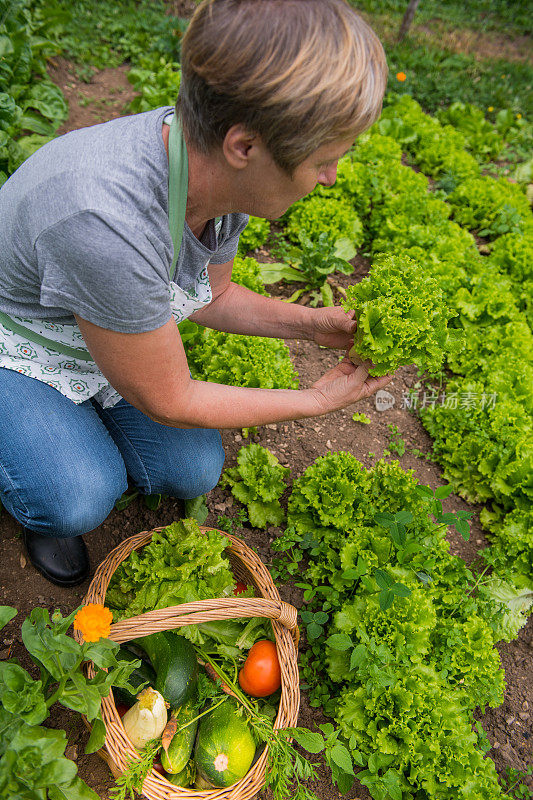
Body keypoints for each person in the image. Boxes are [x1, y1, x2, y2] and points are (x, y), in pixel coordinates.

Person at [0, 0, 391, 588]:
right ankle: (40, 486)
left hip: (106, 334)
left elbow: (212, 296)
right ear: (245, 146)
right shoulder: (105, 221)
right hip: (20, 346)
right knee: (80, 496)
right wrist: (314, 399)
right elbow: (172, 398)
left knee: (193, 466)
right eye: (322, 161)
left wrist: (311, 324)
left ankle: (67, 430)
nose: (331, 177)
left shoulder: (210, 174)